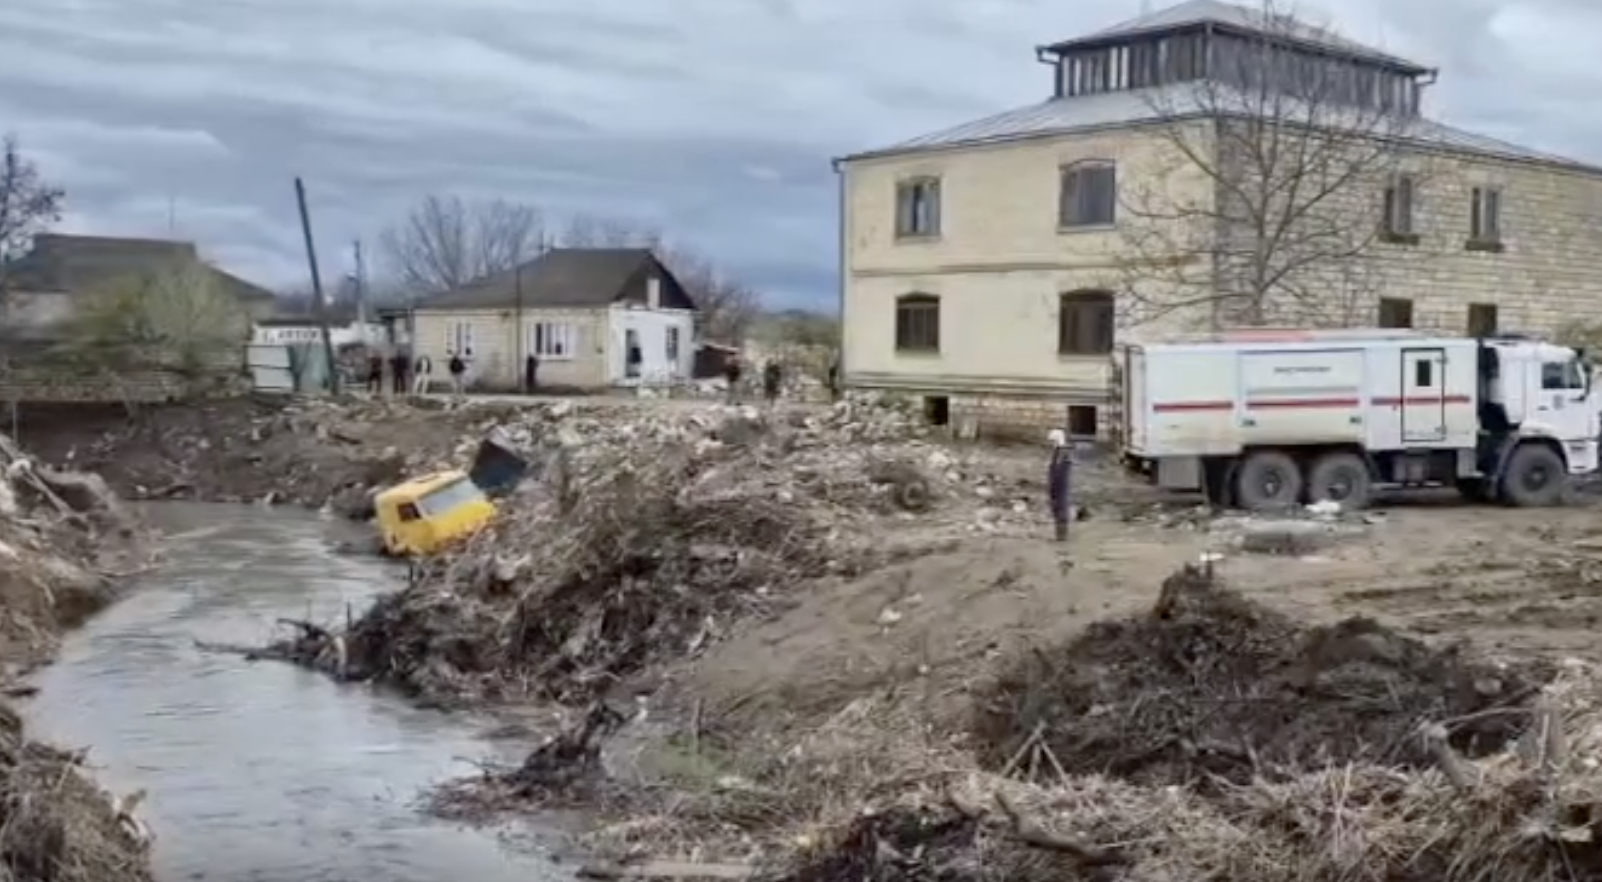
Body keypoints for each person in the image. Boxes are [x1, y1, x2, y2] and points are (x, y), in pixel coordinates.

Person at [1046, 428, 1073, 543]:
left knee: (1060, 508)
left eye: (1052, 441)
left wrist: (1053, 488)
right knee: (1058, 509)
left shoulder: (1062, 453)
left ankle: (1061, 537)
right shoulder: (1059, 452)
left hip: (1060, 485)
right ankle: (1060, 536)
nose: (1051, 444)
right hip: (1058, 485)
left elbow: (1059, 472)